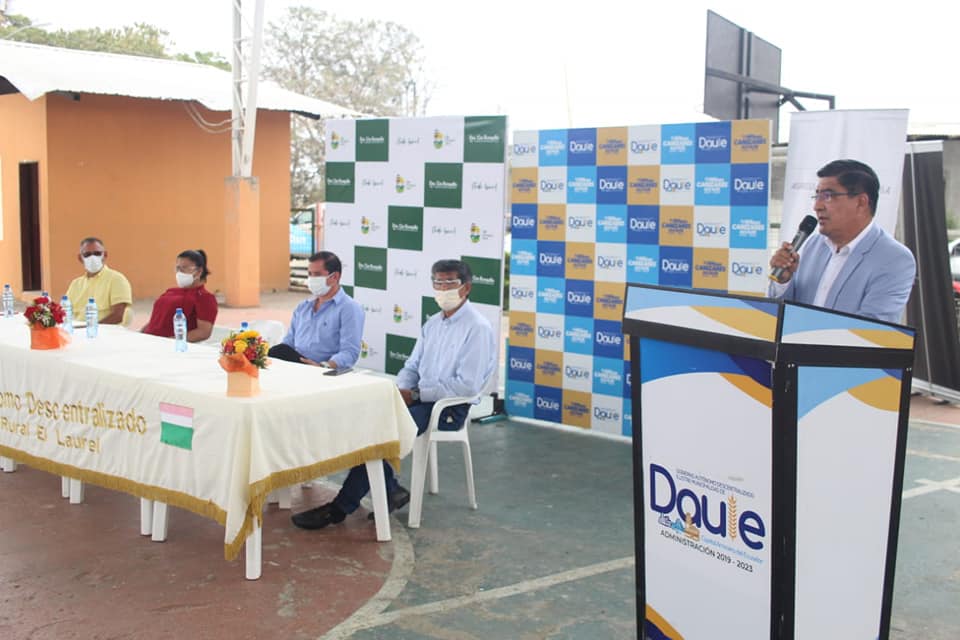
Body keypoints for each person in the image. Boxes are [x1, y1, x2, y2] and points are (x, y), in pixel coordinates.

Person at [292, 259, 496, 530]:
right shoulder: (433, 324)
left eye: (450, 283)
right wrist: (402, 390)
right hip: (419, 399)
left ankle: (339, 509)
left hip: (447, 408)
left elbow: (466, 387)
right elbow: (411, 366)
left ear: (466, 287)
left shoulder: (477, 328)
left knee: (381, 434)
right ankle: (391, 490)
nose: (443, 288)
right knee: (368, 423)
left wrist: (417, 394)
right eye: (437, 282)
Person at [769, 159, 916, 323]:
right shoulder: (813, 245)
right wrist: (784, 281)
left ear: (861, 202)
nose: (817, 206)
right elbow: (784, 313)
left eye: (827, 196)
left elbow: (873, 330)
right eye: (817, 196)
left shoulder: (894, 258)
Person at [267, 251, 363, 369]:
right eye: (310, 274)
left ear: (335, 277)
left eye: (317, 274)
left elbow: (349, 352)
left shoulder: (349, 308)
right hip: (295, 366)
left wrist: (323, 366)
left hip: (324, 371)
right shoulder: (303, 307)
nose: (312, 279)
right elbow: (289, 342)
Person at [140, 249, 218, 342]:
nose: (179, 272)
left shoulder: (204, 298)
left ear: (199, 271)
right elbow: (156, 320)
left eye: (184, 268)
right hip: (148, 340)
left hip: (168, 345)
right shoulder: (171, 291)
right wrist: (141, 334)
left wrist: (170, 342)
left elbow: (203, 332)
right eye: (177, 268)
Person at [65, 237, 133, 326]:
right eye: (87, 254)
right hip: (78, 330)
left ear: (105, 255)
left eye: (97, 253)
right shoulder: (75, 284)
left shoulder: (117, 279)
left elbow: (118, 315)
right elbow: (64, 312)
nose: (92, 257)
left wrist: (91, 328)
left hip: (106, 331)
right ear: (80, 258)